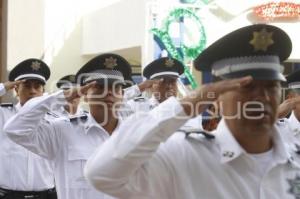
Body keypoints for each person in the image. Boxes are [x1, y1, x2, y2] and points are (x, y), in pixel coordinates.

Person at [83, 24, 299, 199]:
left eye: (271, 86)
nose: (262, 97)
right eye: (247, 87)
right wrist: (184, 106)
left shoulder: (295, 159)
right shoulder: (184, 155)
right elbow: (102, 175)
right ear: (216, 97)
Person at [4, 53, 134, 199]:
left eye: (116, 88)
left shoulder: (135, 135)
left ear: (123, 94)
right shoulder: (63, 131)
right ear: (84, 94)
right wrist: (61, 97)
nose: (109, 92)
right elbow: (15, 130)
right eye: (100, 87)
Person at [0, 58, 57, 199]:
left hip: (47, 195)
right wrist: (3, 87)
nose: (32, 91)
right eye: (27, 86)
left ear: (43, 91)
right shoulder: (3, 114)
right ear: (16, 90)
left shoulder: (56, 120)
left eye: (37, 86)